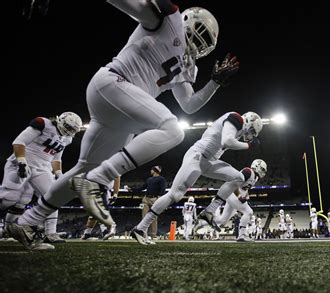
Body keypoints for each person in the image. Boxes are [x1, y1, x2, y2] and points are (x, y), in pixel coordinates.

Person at [8, 1, 239, 250]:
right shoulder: (166, 21)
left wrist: (214, 83)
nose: (199, 42)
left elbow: (190, 105)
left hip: (122, 110)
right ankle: (102, 177)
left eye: (206, 41)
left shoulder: (189, 66)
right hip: (113, 83)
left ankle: (28, 222)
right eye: (200, 32)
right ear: (186, 19)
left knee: (82, 171)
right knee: (173, 129)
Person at [131, 112, 263, 244]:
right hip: (197, 156)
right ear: (248, 121)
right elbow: (227, 141)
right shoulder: (236, 118)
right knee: (174, 195)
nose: (250, 135)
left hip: (209, 161)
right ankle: (140, 228)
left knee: (238, 177)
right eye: (251, 130)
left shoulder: (238, 130)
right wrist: (249, 146)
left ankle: (209, 211)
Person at [1, 112, 82, 248]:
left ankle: (50, 233)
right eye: (68, 127)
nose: (70, 131)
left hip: (42, 169)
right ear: (60, 120)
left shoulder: (67, 139)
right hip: (22, 163)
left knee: (53, 196)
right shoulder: (43, 124)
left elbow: (56, 158)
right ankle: (7, 230)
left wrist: (59, 174)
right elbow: (19, 142)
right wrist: (21, 161)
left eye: (73, 130)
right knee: (9, 199)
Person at [193, 159, 267, 242]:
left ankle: (201, 223)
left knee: (222, 220)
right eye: (263, 169)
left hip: (233, 196)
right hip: (232, 193)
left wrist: (246, 196)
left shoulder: (255, 177)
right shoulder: (247, 172)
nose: (263, 172)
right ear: (257, 166)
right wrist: (239, 196)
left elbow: (244, 188)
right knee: (248, 212)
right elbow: (234, 183)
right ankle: (241, 235)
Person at [133, 165, 166, 240]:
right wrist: (132, 189)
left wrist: (159, 198)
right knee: (144, 217)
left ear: (155, 170)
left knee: (153, 218)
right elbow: (142, 188)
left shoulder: (161, 179)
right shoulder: (149, 179)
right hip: (146, 198)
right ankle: (144, 234)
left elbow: (162, 189)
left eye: (152, 169)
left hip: (155, 199)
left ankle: (153, 235)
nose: (150, 171)